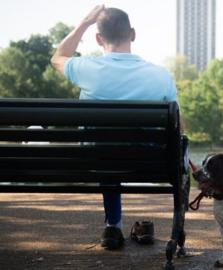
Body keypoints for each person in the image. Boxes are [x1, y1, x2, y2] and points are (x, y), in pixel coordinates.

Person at [51, 5, 178, 250]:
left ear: (99, 38)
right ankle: (175, 229)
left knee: (104, 151)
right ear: (133, 34)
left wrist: (85, 22)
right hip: (149, 163)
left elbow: (57, 57)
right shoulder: (161, 76)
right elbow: (178, 126)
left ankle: (114, 226)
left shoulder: (85, 68)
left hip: (98, 161)